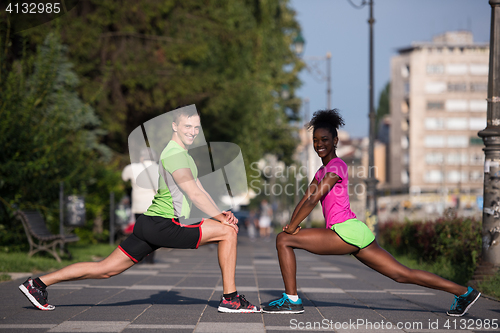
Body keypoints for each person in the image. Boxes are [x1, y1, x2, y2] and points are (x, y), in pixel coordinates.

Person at [19, 107, 260, 313]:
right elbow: (193, 194)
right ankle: (231, 299)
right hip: (166, 224)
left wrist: (222, 213)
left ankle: (37, 283)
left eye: (196, 127)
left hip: (150, 223)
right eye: (187, 126)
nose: (192, 132)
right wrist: (221, 220)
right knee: (228, 233)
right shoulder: (175, 156)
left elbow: (200, 189)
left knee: (105, 269)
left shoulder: (182, 154)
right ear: (174, 126)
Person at [262, 109, 480, 317]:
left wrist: (291, 229)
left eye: (325, 139)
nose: (319, 144)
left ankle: (291, 300)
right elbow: (305, 198)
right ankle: (464, 293)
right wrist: (293, 222)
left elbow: (313, 199)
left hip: (344, 231)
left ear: (335, 141)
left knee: (283, 240)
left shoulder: (336, 166)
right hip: (356, 232)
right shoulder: (321, 170)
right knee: (402, 274)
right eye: (316, 140)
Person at [121, 148, 159, 263]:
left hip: (139, 206)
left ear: (141, 157)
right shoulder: (160, 169)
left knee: (139, 232)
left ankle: (138, 256)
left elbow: (124, 177)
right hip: (155, 205)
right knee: (153, 232)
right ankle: (150, 258)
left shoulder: (132, 168)